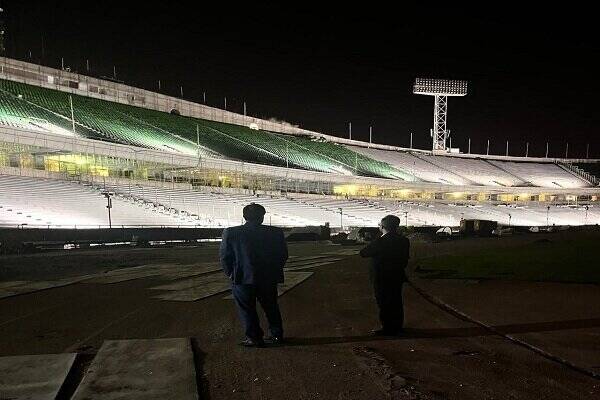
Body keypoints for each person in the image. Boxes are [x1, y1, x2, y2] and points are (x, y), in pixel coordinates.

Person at [219, 203, 288, 347]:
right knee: (271, 307)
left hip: (242, 278)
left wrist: (231, 273)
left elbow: (225, 256)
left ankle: (254, 338)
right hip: (268, 278)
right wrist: (274, 270)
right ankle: (276, 335)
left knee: (247, 309)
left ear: (244, 217)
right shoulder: (275, 232)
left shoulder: (231, 232)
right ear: (262, 217)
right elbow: (283, 255)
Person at [359, 214, 410, 336]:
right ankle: (397, 326)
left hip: (381, 277)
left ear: (382, 227)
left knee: (384, 303)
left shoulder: (381, 241)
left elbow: (363, 253)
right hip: (397, 276)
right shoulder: (404, 240)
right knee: (396, 302)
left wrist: (375, 239)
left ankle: (387, 327)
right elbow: (404, 259)